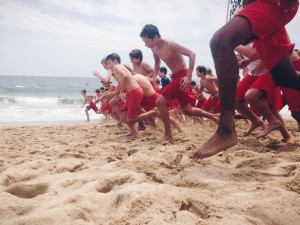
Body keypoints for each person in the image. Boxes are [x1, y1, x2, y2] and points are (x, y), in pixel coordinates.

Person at [191, 0, 300, 159]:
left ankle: (226, 130)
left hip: (274, 2)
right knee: (285, 78)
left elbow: (250, 52)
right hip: (257, 5)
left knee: (220, 41)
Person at [140, 24, 219, 140]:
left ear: (155, 37)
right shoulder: (154, 48)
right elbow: (157, 63)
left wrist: (189, 76)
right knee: (187, 110)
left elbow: (192, 54)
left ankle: (168, 133)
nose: (145, 44)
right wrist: (155, 76)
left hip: (182, 75)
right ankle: (215, 117)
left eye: (147, 41)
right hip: (175, 76)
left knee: (159, 102)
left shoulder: (170, 44)